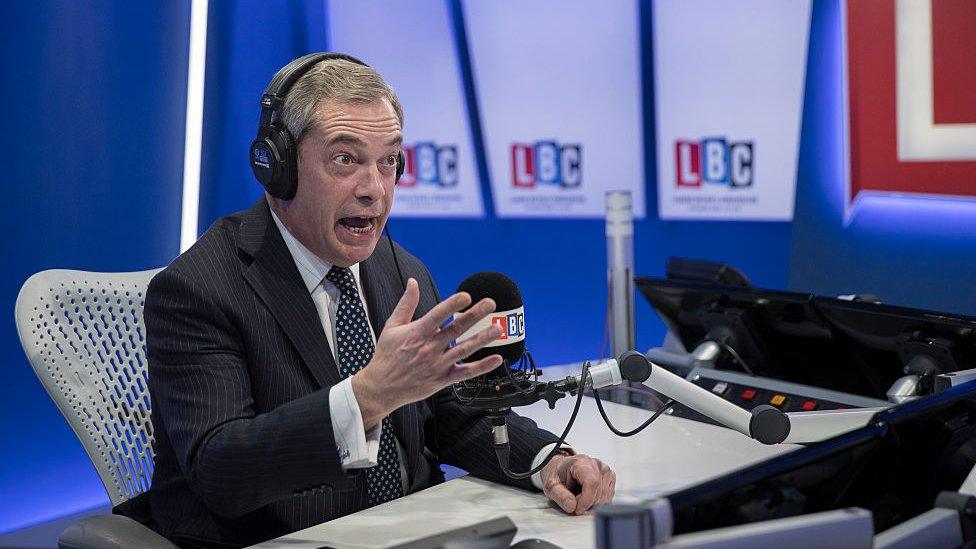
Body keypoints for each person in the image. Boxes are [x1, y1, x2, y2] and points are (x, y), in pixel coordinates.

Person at [145, 53, 616, 548]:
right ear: (278, 167)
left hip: (413, 532)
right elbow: (220, 469)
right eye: (345, 160)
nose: (375, 190)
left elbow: (449, 412)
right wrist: (367, 398)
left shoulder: (399, 269)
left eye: (388, 161)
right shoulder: (199, 289)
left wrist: (549, 462)